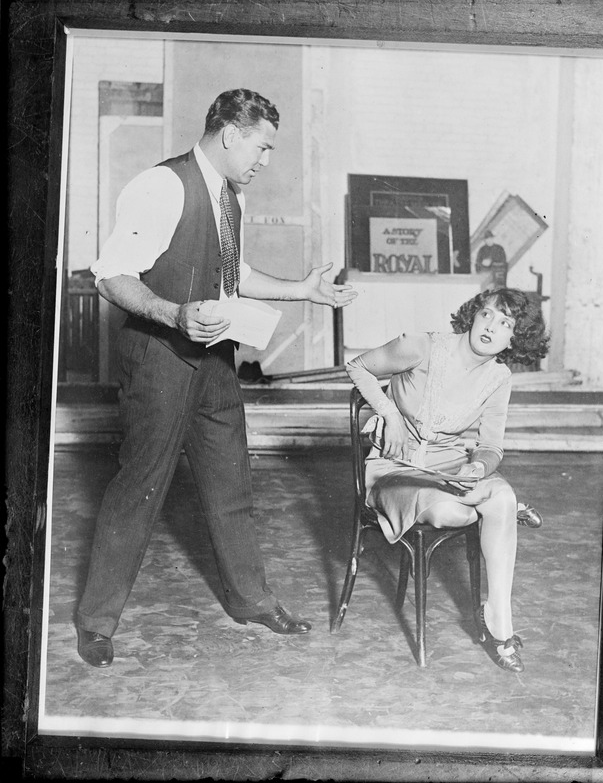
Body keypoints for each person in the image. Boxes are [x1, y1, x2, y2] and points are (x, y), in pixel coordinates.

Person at [76, 88, 357, 668]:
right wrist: (173, 313)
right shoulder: (162, 187)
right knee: (140, 489)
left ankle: (250, 600)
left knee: (231, 487)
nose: (265, 160)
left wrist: (302, 289)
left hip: (215, 366)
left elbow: (234, 273)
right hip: (158, 361)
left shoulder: (231, 197)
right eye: (262, 146)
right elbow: (111, 277)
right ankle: (96, 622)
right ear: (231, 134)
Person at [345, 288, 549, 673]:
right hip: (395, 469)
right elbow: (357, 366)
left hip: (450, 471)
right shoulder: (420, 345)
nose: (491, 326)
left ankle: (499, 624)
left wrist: (477, 470)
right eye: (487, 314)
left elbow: (491, 447)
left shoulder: (498, 377)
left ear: (514, 339)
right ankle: (497, 507)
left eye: (505, 324)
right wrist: (387, 414)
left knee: (498, 495)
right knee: (453, 514)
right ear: (472, 315)